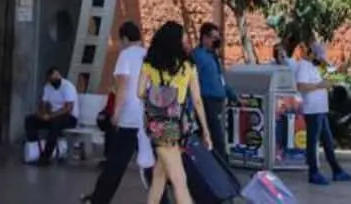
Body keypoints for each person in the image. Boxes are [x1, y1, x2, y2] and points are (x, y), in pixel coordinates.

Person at [141, 21, 212, 204]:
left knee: (163, 175)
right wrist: (206, 131)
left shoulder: (150, 64)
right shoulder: (188, 66)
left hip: (158, 122)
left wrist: (158, 95)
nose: (186, 39)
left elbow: (139, 92)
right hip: (180, 123)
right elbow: (197, 100)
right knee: (176, 179)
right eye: (183, 36)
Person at [83, 21, 148, 204]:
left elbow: (122, 87)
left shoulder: (125, 56)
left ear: (125, 38)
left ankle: (99, 199)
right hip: (146, 117)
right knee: (151, 164)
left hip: (129, 117)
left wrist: (116, 113)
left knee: (115, 164)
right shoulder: (147, 54)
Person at [293, 40, 351, 186]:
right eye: (319, 54)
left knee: (328, 141)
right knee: (313, 142)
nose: (321, 57)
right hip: (312, 110)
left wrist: (342, 70)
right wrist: (319, 85)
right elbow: (301, 86)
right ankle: (313, 173)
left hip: (322, 109)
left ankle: (337, 171)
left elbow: (334, 79)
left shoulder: (319, 64)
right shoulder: (303, 65)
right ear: (311, 53)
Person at [191, 22, 236, 159]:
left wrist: (233, 95)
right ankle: (223, 168)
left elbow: (220, 79)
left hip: (218, 102)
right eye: (213, 37)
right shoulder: (197, 56)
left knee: (209, 134)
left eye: (217, 38)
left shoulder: (214, 57)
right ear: (204, 38)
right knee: (217, 138)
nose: (215, 41)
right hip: (206, 101)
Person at [24, 66, 78, 165]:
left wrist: (51, 116)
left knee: (55, 124)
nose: (53, 81)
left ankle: (46, 157)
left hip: (69, 117)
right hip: (52, 116)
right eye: (52, 79)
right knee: (30, 120)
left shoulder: (67, 87)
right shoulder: (48, 87)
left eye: (56, 78)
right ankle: (34, 149)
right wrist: (42, 114)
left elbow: (68, 108)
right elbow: (44, 104)